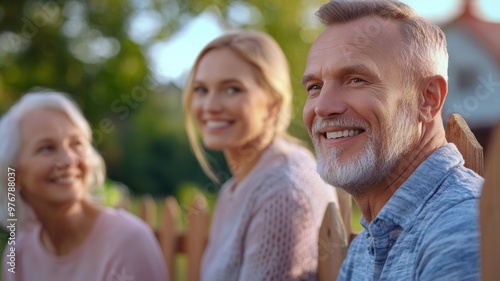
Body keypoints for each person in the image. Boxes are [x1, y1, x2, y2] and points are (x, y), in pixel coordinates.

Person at [302, 0, 484, 280]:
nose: (322, 107)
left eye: (356, 80)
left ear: (428, 99)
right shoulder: (367, 244)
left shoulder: (462, 230)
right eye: (314, 87)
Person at [183, 30, 339, 280]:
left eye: (232, 89)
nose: (210, 105)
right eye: (201, 90)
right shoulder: (234, 188)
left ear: (273, 103)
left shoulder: (282, 193)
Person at [0, 90, 168, 281]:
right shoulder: (18, 253)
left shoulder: (129, 241)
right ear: (14, 174)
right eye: (46, 148)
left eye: (76, 144)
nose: (68, 159)